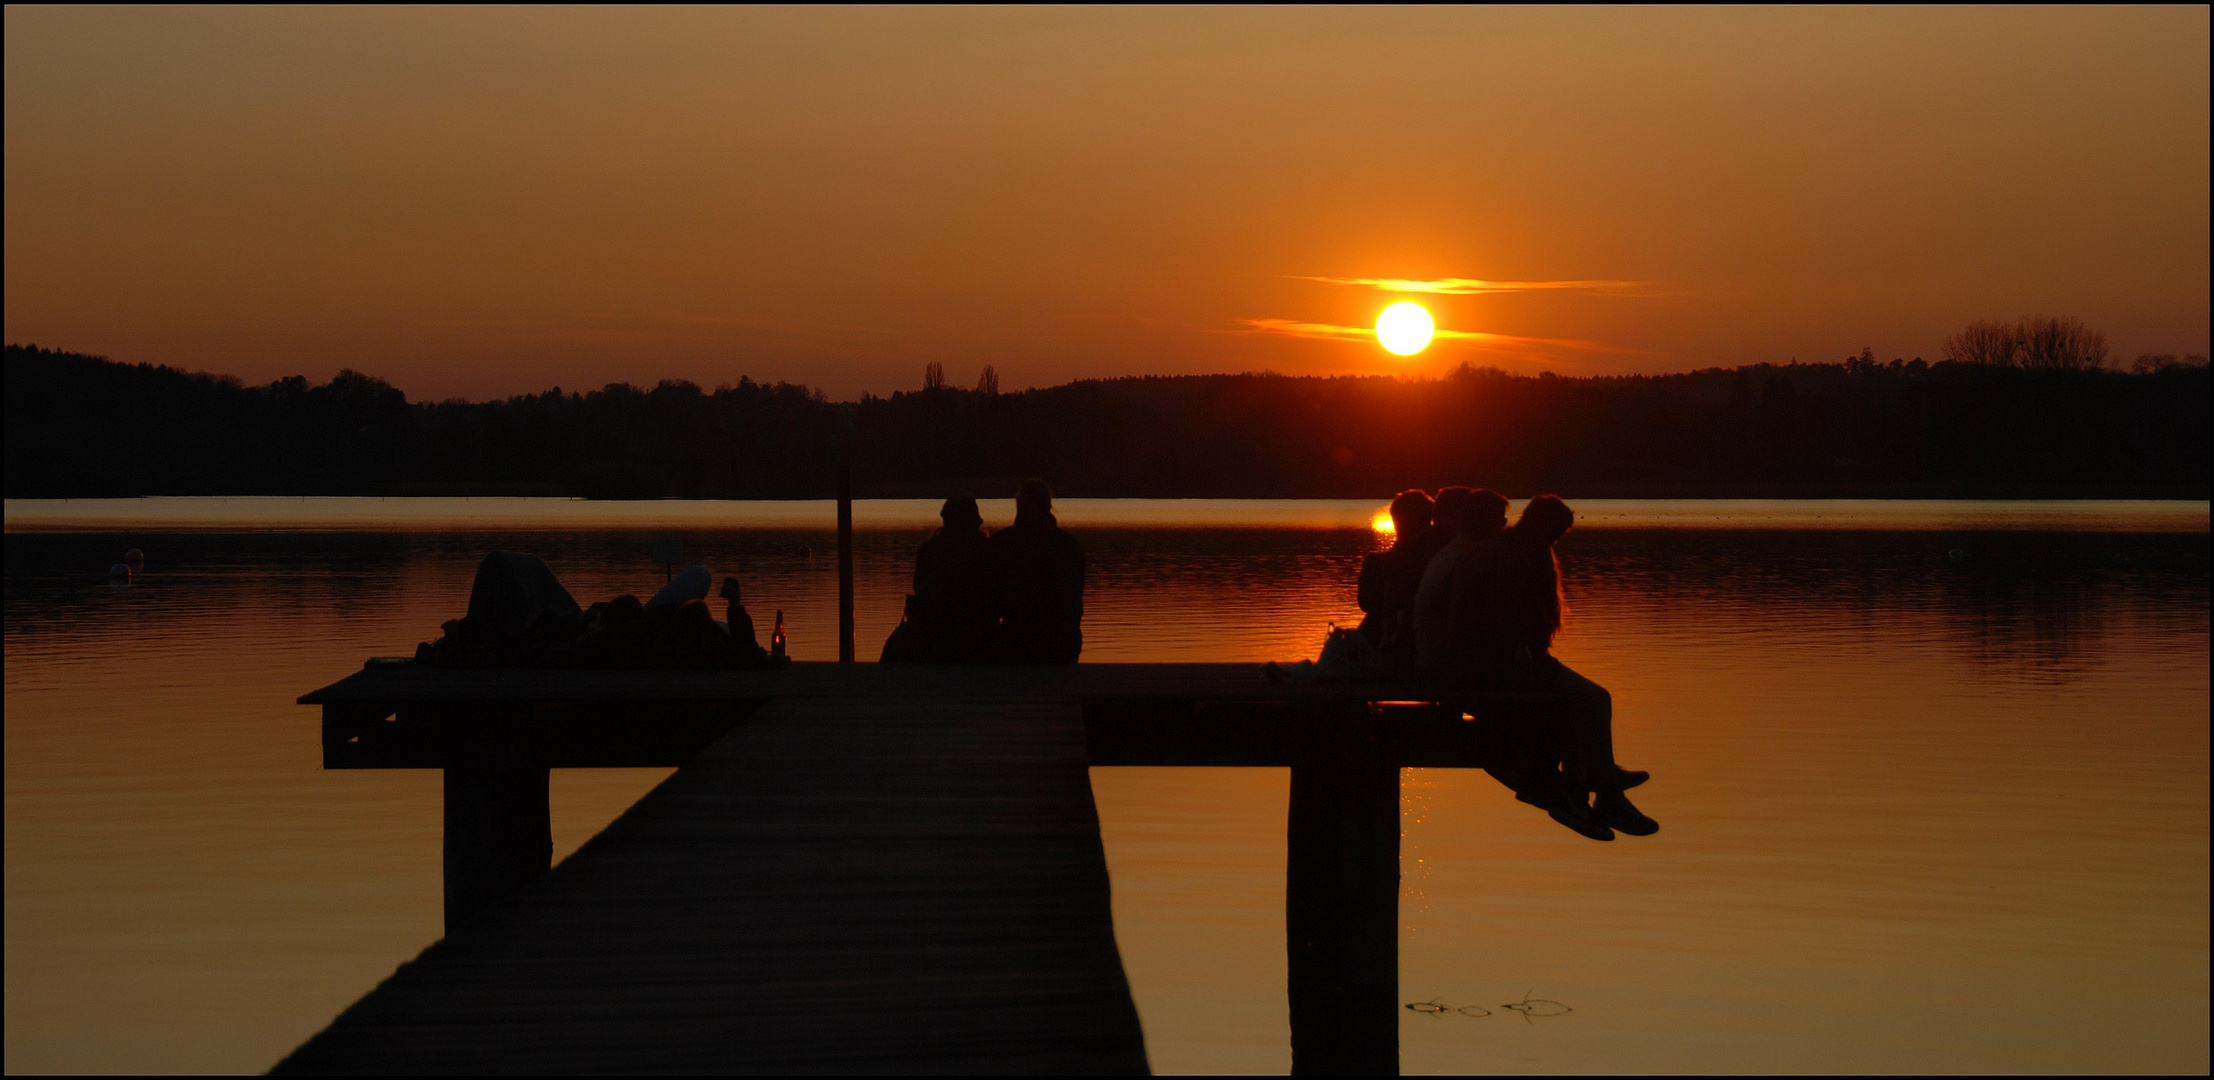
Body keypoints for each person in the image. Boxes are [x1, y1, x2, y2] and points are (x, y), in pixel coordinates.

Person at [1456, 495, 1656, 840]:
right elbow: (1501, 622)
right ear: (1541, 526)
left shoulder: (1512, 550)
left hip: (1507, 662)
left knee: (1581, 702)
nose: (1556, 540)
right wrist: (1523, 660)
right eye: (1555, 532)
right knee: (1595, 700)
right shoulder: (1511, 556)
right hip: (1502, 667)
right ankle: (1602, 790)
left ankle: (1596, 785)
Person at [882, 497, 997, 662]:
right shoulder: (986, 552)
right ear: (975, 523)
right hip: (976, 635)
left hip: (932, 635)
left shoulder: (928, 550)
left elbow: (918, 588)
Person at [1412, 487, 1509, 679]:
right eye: (1502, 519)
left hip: (1433, 656)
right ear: (1488, 521)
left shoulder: (1452, 552)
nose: (1504, 525)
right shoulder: (1471, 558)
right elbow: (1468, 620)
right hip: (1447, 665)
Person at [989, 479, 1086, 663]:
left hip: (1015, 640)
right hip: (1062, 642)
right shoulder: (1068, 545)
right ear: (1049, 506)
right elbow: (1075, 596)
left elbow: (990, 597)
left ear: (1019, 506)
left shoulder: (1001, 543)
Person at [1356, 489, 1442, 669]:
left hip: (1378, 642)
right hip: (1410, 647)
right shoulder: (1435, 561)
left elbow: (1366, 603)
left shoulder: (1376, 563)